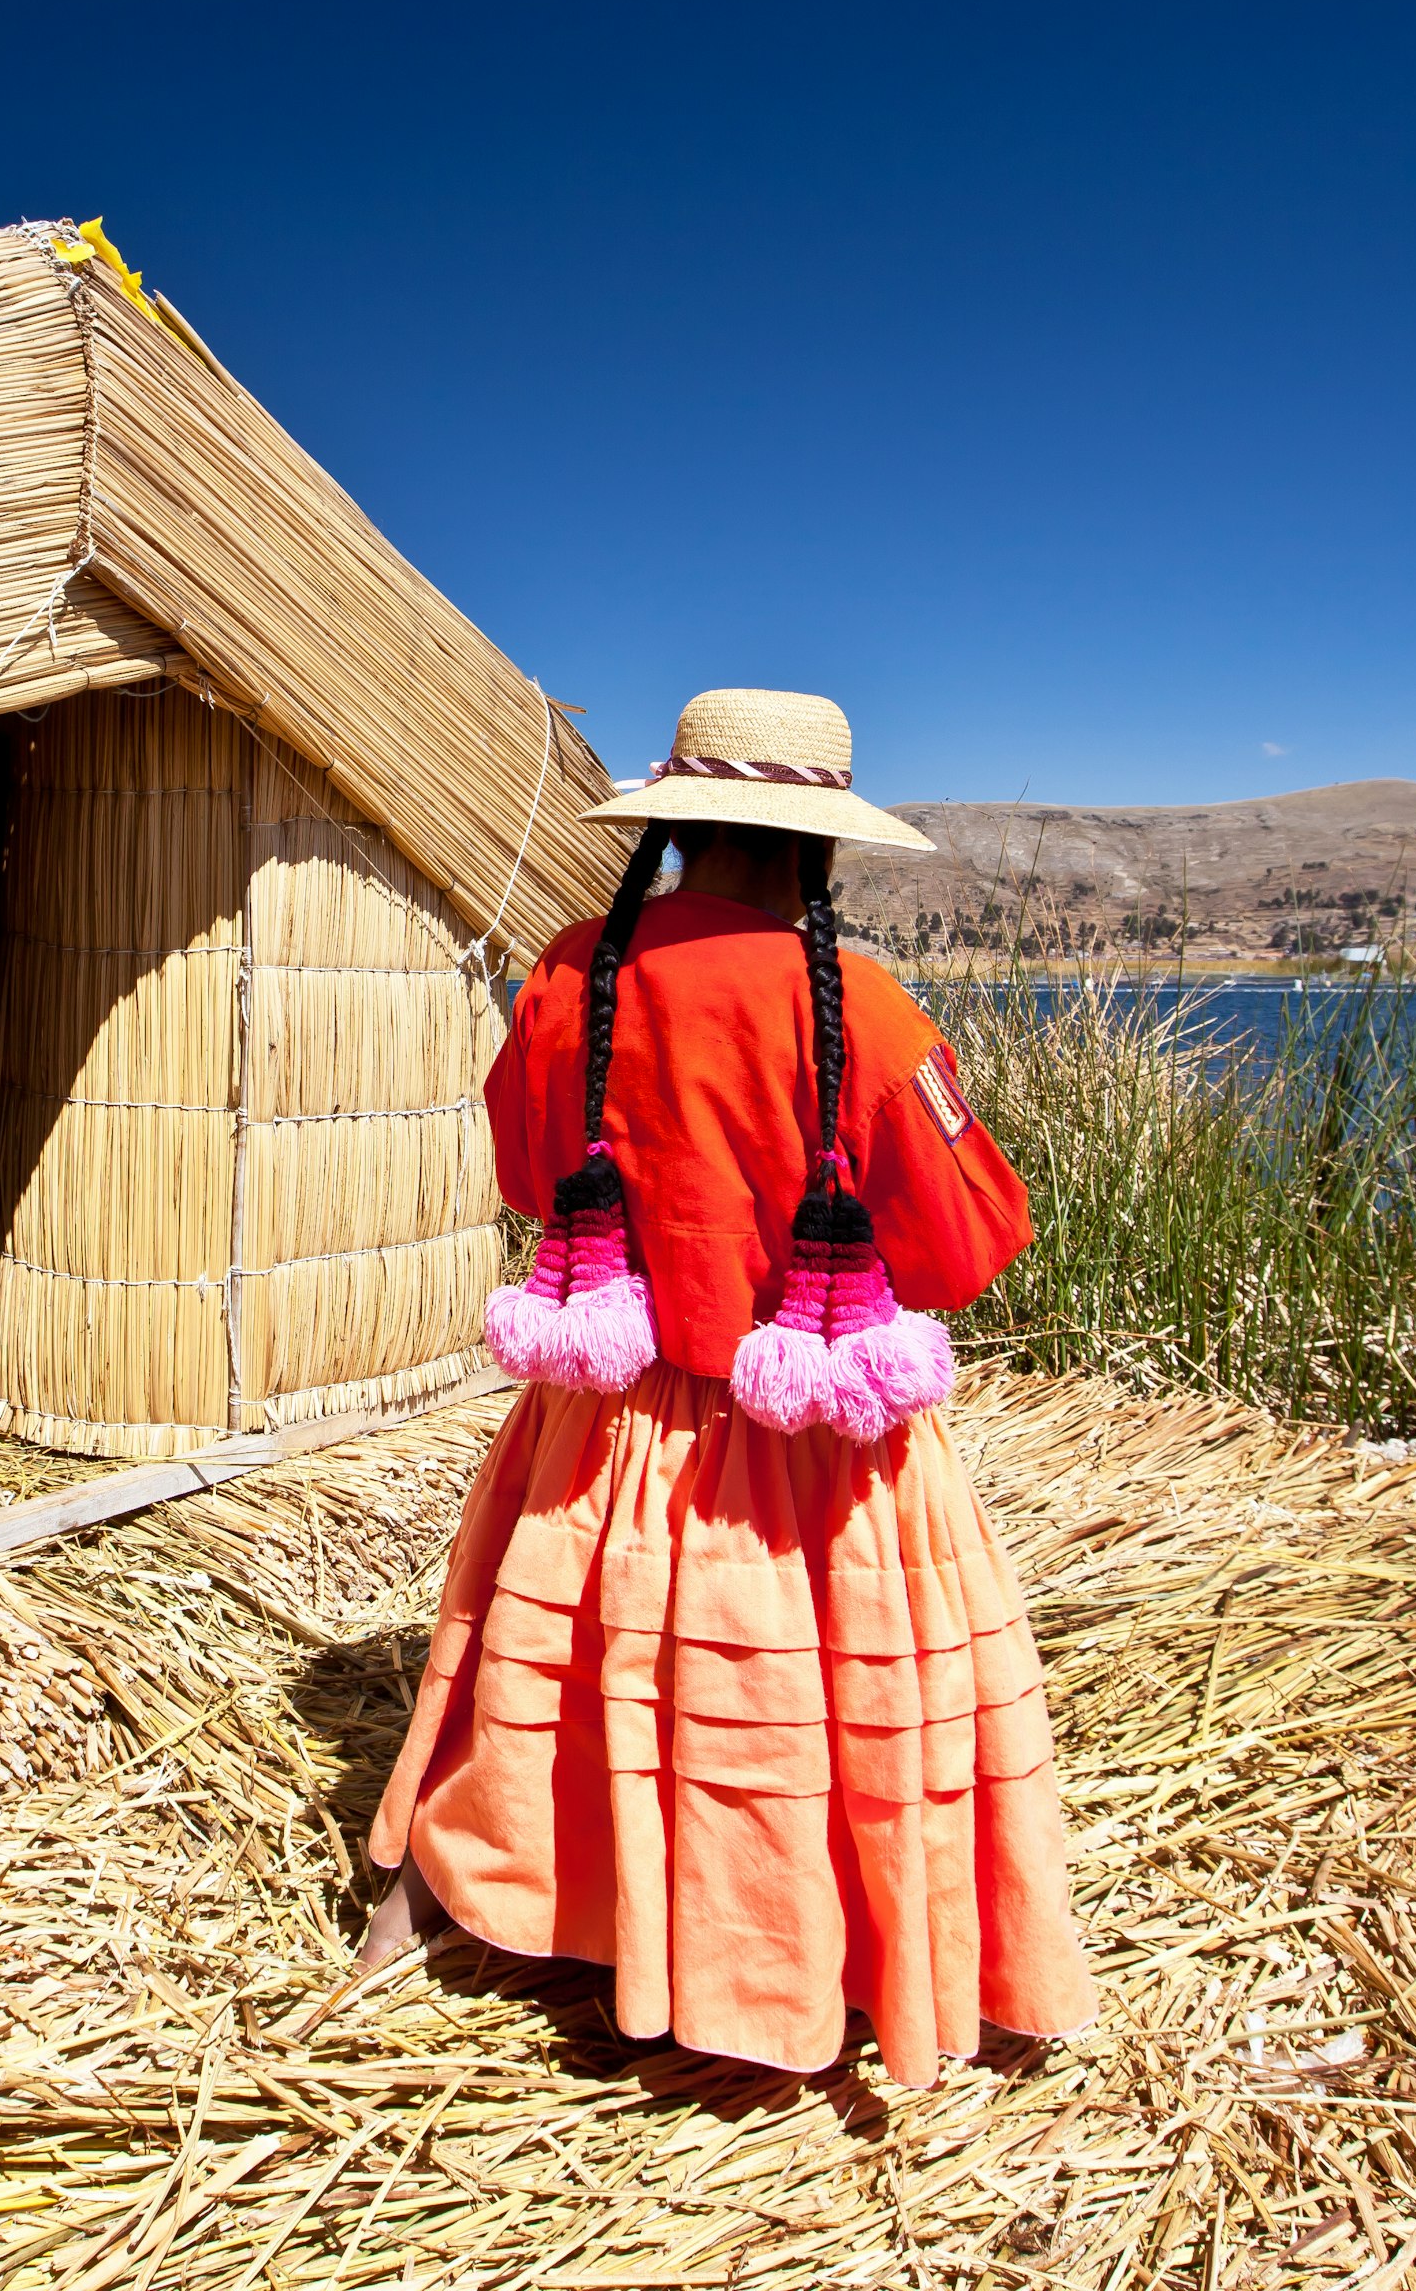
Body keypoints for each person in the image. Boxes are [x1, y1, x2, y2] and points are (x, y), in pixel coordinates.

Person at [355, 687, 1095, 2086]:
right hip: (811, 1452)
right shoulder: (865, 1012)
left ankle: (542, 1911)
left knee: (578, 1677)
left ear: (679, 825)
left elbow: (529, 1179)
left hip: (609, 1426)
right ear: (822, 848)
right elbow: (961, 1248)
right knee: (793, 1719)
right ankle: (798, 1973)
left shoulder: (576, 974)